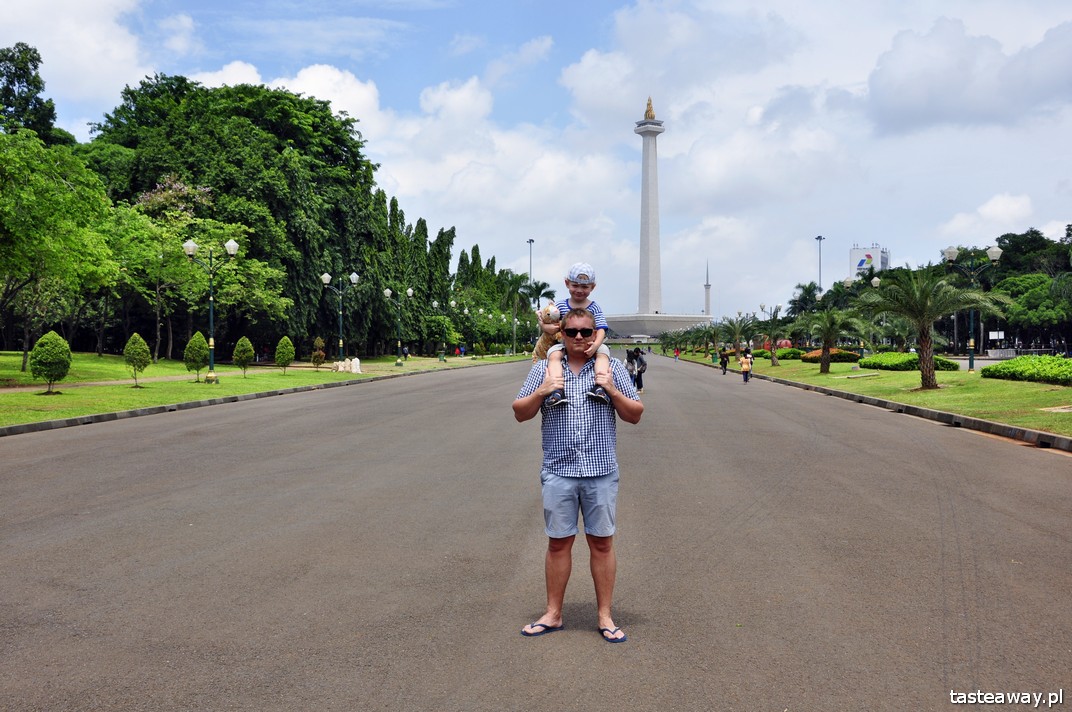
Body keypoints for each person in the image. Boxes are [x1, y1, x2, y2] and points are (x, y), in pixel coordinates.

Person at [513, 308, 644, 644]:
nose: (580, 338)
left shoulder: (611, 368)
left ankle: (605, 616)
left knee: (601, 543)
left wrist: (612, 390)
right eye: (572, 333)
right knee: (558, 543)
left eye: (586, 332)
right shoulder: (544, 369)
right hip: (560, 471)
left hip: (600, 472)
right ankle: (553, 613)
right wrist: (543, 391)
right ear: (562, 335)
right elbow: (519, 412)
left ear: (595, 334)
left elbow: (635, 414)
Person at [540, 262, 611, 408]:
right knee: (553, 354)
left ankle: (600, 386)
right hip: (564, 344)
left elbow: (602, 329)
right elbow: (549, 325)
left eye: (585, 287)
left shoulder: (594, 307)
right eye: (575, 285)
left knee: (603, 352)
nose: (579, 290)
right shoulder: (559, 306)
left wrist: (596, 345)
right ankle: (557, 388)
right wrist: (543, 326)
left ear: (592, 287)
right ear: (567, 283)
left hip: (591, 343)